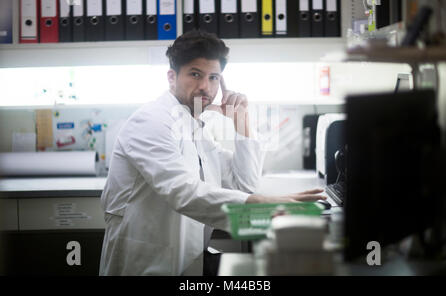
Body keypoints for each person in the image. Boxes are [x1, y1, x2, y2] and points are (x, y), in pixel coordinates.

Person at [99, 30, 327, 276]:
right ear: (172, 77)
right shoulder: (151, 121)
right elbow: (182, 192)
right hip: (145, 260)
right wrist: (262, 204)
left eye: (214, 77)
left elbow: (244, 184)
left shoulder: (196, 127)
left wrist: (242, 120)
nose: (205, 87)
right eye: (195, 74)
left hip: (186, 258)